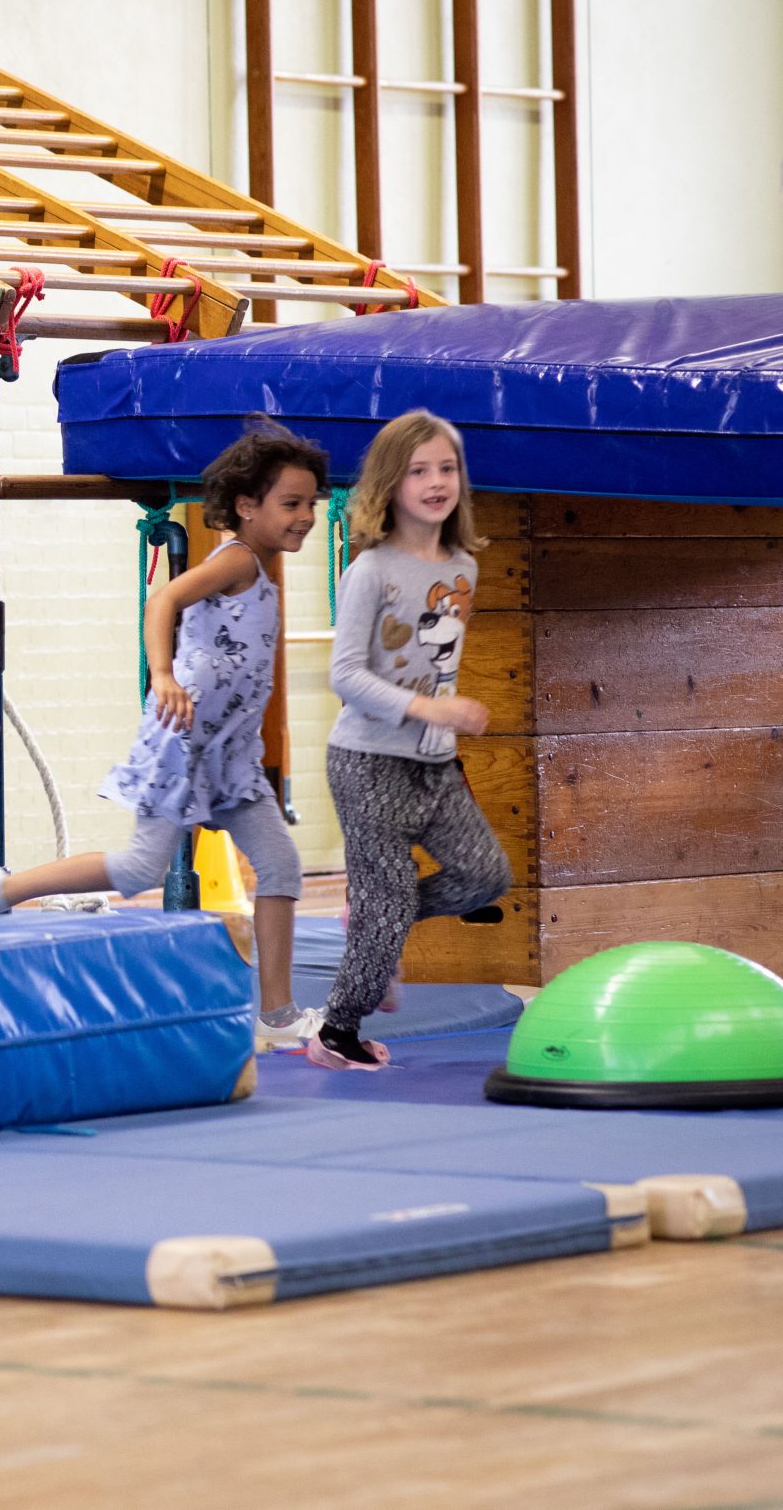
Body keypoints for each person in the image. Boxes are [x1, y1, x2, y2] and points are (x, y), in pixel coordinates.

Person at [0, 421, 326, 1049]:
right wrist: (164, 674)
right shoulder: (235, 560)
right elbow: (162, 601)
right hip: (185, 743)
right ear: (247, 506)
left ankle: (276, 1013)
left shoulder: (264, 569)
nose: (306, 516)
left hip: (229, 756)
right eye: (291, 503)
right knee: (138, 867)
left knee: (280, 864)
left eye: (312, 503)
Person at [312, 409, 509, 1070]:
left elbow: (437, 659)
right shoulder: (371, 569)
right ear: (390, 484)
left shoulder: (462, 567)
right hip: (367, 762)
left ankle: (376, 925)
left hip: (433, 764)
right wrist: (431, 707)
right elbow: (345, 676)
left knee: (485, 874)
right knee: (388, 893)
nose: (435, 482)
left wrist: (443, 720)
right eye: (418, 470)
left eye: (446, 468)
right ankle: (336, 1030)